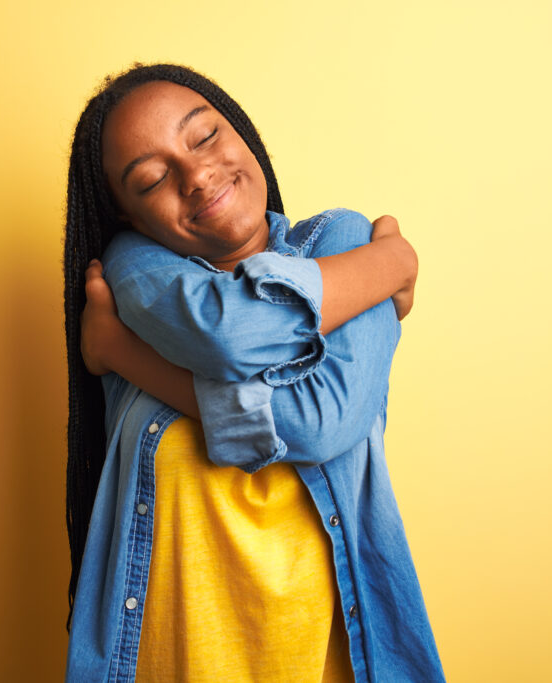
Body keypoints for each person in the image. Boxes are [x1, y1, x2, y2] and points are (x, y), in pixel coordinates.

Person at [63, 63, 445, 682]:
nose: (197, 175)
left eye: (205, 136)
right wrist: (388, 265)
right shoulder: (136, 272)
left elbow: (321, 425)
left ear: (239, 131)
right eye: (154, 178)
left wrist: (128, 356)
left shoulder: (346, 237)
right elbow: (226, 334)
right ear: (131, 219)